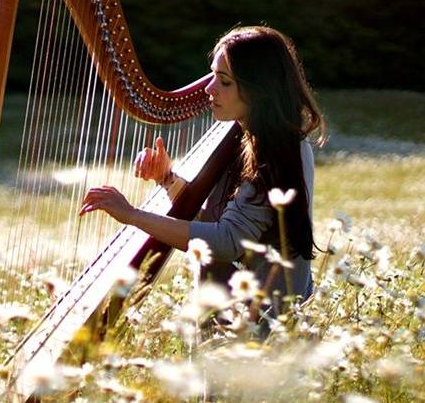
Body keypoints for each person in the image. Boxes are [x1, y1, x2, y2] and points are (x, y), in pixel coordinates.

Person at [79, 25, 326, 311]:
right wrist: (167, 179)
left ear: (259, 88)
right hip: (237, 320)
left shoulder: (278, 152)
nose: (209, 89)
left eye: (224, 81)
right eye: (212, 76)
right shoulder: (249, 139)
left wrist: (132, 215)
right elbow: (214, 222)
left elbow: (226, 241)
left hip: (261, 330)